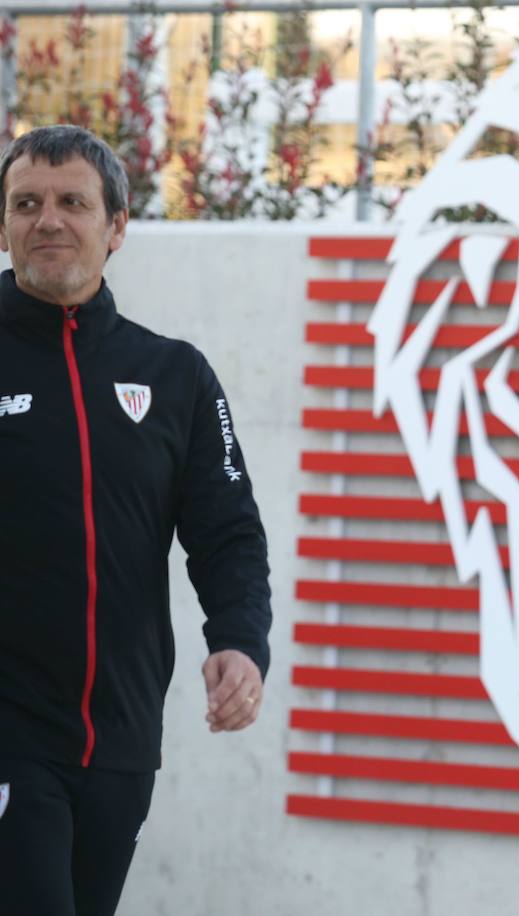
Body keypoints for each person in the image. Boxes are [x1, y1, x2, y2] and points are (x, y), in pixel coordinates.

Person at [0, 125, 271, 916]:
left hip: (120, 736)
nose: (48, 220)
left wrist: (239, 641)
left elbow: (227, 530)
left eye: (73, 203)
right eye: (26, 204)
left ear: (117, 227)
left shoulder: (174, 375)